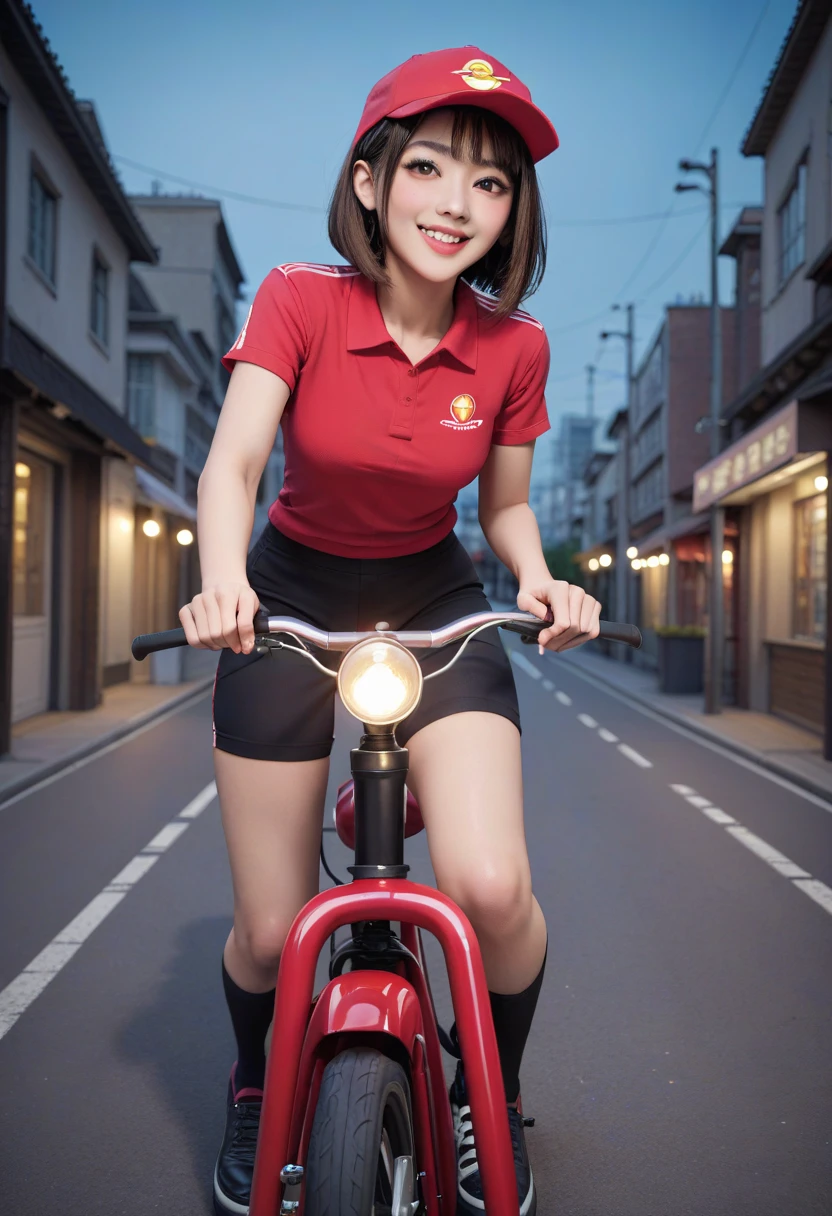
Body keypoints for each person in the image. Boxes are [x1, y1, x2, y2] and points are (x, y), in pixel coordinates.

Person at [178, 45, 601, 1216]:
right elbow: (235, 465)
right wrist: (222, 586)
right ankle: (261, 1083)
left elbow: (506, 509)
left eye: (490, 183)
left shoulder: (514, 346)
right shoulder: (299, 299)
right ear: (370, 181)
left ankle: (489, 1099)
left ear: (514, 210)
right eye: (427, 168)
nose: (455, 205)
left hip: (435, 604)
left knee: (490, 882)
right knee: (271, 935)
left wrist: (543, 581)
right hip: (284, 599)